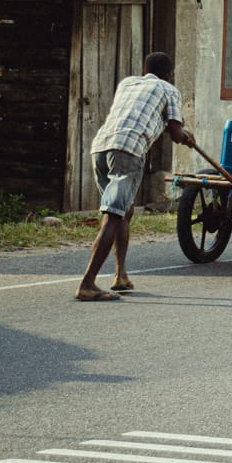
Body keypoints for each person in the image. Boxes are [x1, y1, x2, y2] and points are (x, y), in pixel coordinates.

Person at [76, 51, 195, 301]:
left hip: (101, 147)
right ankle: (87, 284)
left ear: (145, 70)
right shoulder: (169, 90)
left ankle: (121, 276)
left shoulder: (128, 83)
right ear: (170, 74)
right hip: (129, 150)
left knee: (123, 211)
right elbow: (174, 132)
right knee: (114, 214)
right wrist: (186, 137)